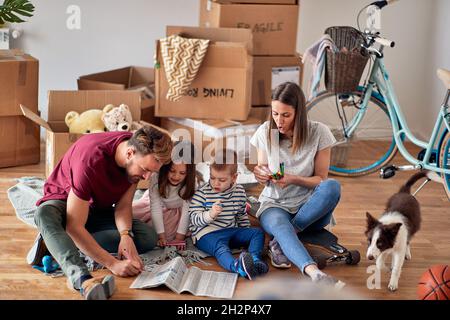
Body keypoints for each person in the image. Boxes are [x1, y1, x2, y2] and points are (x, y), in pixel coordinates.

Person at [27, 126, 173, 299]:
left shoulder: (138, 150)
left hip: (96, 208)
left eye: (152, 172)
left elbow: (123, 206)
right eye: (144, 170)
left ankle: (59, 243)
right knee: (44, 215)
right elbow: (74, 225)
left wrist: (126, 235)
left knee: (147, 237)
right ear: (129, 154)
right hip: (64, 204)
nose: (147, 177)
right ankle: (81, 279)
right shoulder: (90, 160)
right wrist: (112, 263)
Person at [250, 82, 345, 288]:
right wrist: (260, 173)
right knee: (279, 224)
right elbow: (261, 168)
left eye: (285, 115)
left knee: (332, 186)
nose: (279, 121)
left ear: (299, 112)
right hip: (275, 204)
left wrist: (293, 179)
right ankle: (314, 273)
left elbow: (321, 179)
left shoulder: (319, 132)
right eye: (275, 114)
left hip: (310, 210)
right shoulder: (266, 131)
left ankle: (281, 240)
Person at [189, 149, 268, 280]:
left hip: (230, 230)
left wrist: (244, 234)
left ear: (234, 177)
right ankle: (238, 267)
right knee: (221, 248)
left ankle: (254, 260)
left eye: (221, 180)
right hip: (206, 234)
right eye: (212, 177)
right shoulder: (202, 193)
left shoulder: (239, 192)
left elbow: (241, 215)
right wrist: (209, 215)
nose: (215, 183)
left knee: (257, 233)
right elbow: (193, 219)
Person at [132, 141, 197, 250]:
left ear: (188, 172)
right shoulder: (156, 177)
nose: (176, 176)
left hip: (177, 210)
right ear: (166, 167)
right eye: (172, 171)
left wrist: (179, 237)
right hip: (158, 204)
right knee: (132, 215)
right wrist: (160, 235)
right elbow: (155, 208)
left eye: (182, 173)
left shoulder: (191, 183)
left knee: (169, 233)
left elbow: (187, 211)